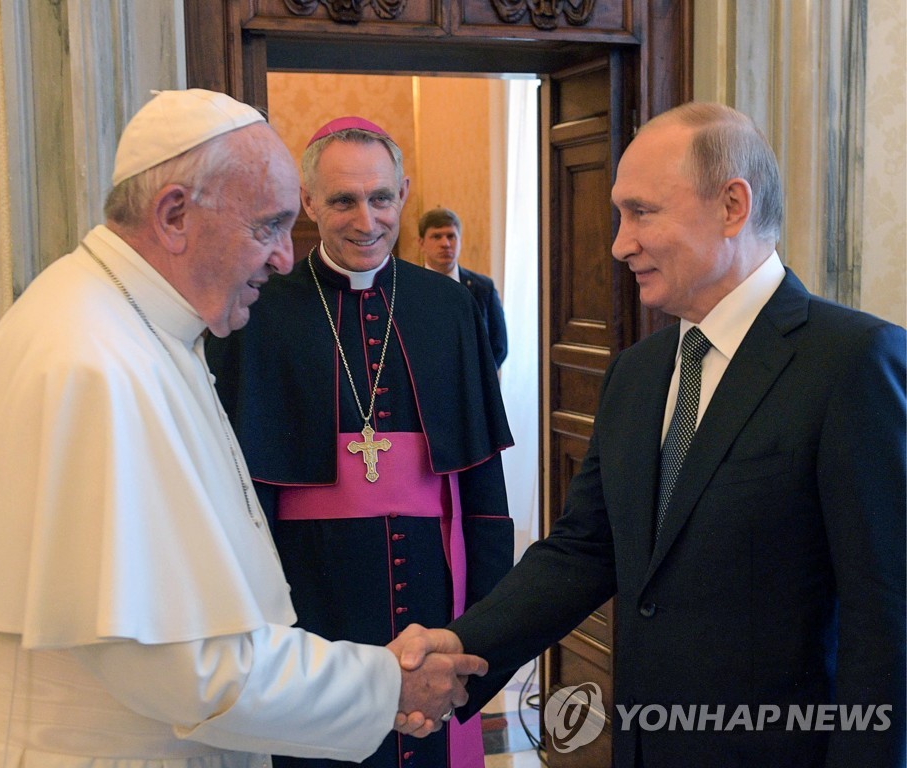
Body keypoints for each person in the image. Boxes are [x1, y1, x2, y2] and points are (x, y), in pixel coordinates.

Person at [0, 89, 488, 767]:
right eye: (268, 227)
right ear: (174, 214)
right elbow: (192, 672)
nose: (286, 259)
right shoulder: (98, 365)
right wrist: (387, 683)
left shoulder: (122, 322)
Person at [441, 102, 907, 767]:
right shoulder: (637, 372)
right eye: (619, 216)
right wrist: (461, 650)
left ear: (732, 206)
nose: (619, 243)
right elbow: (584, 549)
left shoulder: (853, 362)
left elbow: (886, 618)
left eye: (643, 212)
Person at [205, 116, 515, 768]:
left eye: (380, 198)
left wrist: (491, 616)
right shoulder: (262, 307)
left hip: (430, 583)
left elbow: (483, 478)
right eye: (343, 201)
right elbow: (240, 489)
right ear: (309, 202)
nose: (365, 219)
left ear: (402, 192)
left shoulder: (449, 306)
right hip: (309, 589)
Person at [419, 206, 508, 368]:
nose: (445, 244)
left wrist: (479, 381)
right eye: (436, 236)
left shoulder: (483, 288)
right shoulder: (408, 288)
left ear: (460, 241)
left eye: (451, 236)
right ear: (421, 243)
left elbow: (499, 345)